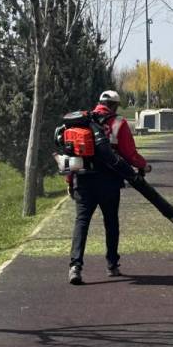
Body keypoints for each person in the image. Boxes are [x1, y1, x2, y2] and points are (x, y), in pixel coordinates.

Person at [68, 90, 149, 285]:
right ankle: (112, 264)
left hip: (83, 180)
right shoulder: (118, 123)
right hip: (109, 181)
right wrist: (143, 166)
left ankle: (75, 267)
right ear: (114, 105)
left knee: (82, 222)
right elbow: (129, 153)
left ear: (99, 103)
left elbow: (71, 153)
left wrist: (70, 181)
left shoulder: (81, 121)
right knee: (111, 222)